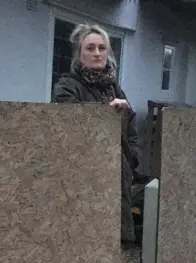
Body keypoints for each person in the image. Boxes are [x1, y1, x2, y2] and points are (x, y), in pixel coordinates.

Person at [53, 23, 141, 243]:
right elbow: (69, 126)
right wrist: (106, 113)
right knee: (86, 239)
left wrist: (131, 159)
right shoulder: (67, 86)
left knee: (113, 238)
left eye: (102, 48)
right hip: (84, 176)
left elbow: (131, 128)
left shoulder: (115, 88)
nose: (97, 53)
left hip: (118, 174)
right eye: (90, 48)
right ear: (79, 53)